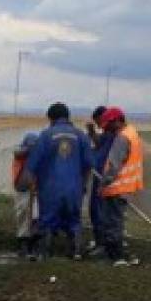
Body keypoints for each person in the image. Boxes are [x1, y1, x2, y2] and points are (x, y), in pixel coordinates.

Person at [23, 102, 92, 259]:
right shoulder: (81, 136)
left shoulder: (46, 135)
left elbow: (33, 163)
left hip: (50, 187)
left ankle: (45, 252)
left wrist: (28, 183)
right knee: (74, 219)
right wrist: (83, 185)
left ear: (51, 118)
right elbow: (88, 164)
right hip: (75, 186)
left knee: (47, 219)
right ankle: (76, 252)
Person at [95, 107, 144, 266]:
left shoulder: (122, 138)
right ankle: (115, 253)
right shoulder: (132, 133)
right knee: (117, 221)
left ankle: (116, 256)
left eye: (108, 125)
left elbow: (113, 166)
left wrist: (102, 185)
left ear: (118, 121)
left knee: (113, 222)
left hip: (116, 188)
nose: (106, 129)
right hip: (126, 187)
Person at [86, 105, 112, 248]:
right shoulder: (106, 134)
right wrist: (91, 133)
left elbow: (101, 148)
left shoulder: (112, 135)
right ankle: (100, 242)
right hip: (99, 176)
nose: (98, 125)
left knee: (99, 211)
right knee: (96, 210)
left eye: (98, 122)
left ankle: (103, 244)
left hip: (105, 178)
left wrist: (91, 132)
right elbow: (98, 145)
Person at [12, 131, 40, 259]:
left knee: (35, 217)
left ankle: (33, 245)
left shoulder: (40, 158)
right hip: (22, 190)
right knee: (22, 215)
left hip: (36, 192)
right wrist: (30, 149)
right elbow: (18, 153)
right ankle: (23, 244)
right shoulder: (20, 155)